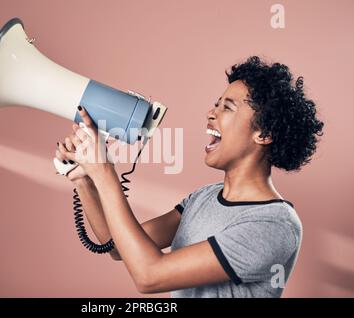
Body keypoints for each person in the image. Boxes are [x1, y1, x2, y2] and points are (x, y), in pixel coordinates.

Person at [55, 56, 324, 297]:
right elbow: (116, 247)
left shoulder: (274, 224)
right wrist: (84, 180)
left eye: (227, 108)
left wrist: (104, 171)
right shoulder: (203, 198)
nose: (211, 113)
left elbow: (149, 276)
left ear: (264, 134)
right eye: (216, 104)